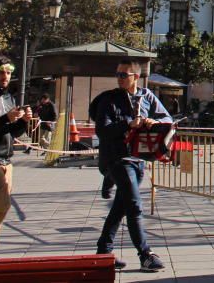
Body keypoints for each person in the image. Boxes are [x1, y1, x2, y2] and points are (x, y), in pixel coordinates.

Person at [92, 61, 171, 271]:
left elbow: (166, 118)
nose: (120, 78)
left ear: (136, 77)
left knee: (120, 207)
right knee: (134, 205)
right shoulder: (109, 100)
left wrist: (153, 122)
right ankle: (145, 254)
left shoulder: (147, 97)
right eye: (117, 74)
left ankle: (103, 251)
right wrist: (128, 123)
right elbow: (102, 130)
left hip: (138, 159)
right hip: (117, 159)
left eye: (124, 75)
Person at [0, 56, 32, 258]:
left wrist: (23, 122)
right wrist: (5, 119)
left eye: (9, 73)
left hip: (6, 158)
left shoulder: (8, 98)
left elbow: (11, 132)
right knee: (1, 204)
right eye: (1, 72)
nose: (5, 77)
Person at [89, 91, 115, 200]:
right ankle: (107, 189)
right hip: (109, 141)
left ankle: (107, 189)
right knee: (110, 168)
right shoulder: (107, 99)